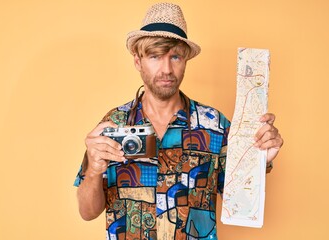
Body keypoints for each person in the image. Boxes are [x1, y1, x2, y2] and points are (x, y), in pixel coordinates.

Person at [74, 2, 283, 239]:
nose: (166, 69)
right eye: (155, 56)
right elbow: (88, 212)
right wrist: (93, 171)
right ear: (137, 61)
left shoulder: (215, 125)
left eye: (175, 57)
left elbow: (239, 201)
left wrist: (258, 161)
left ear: (185, 61)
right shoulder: (113, 124)